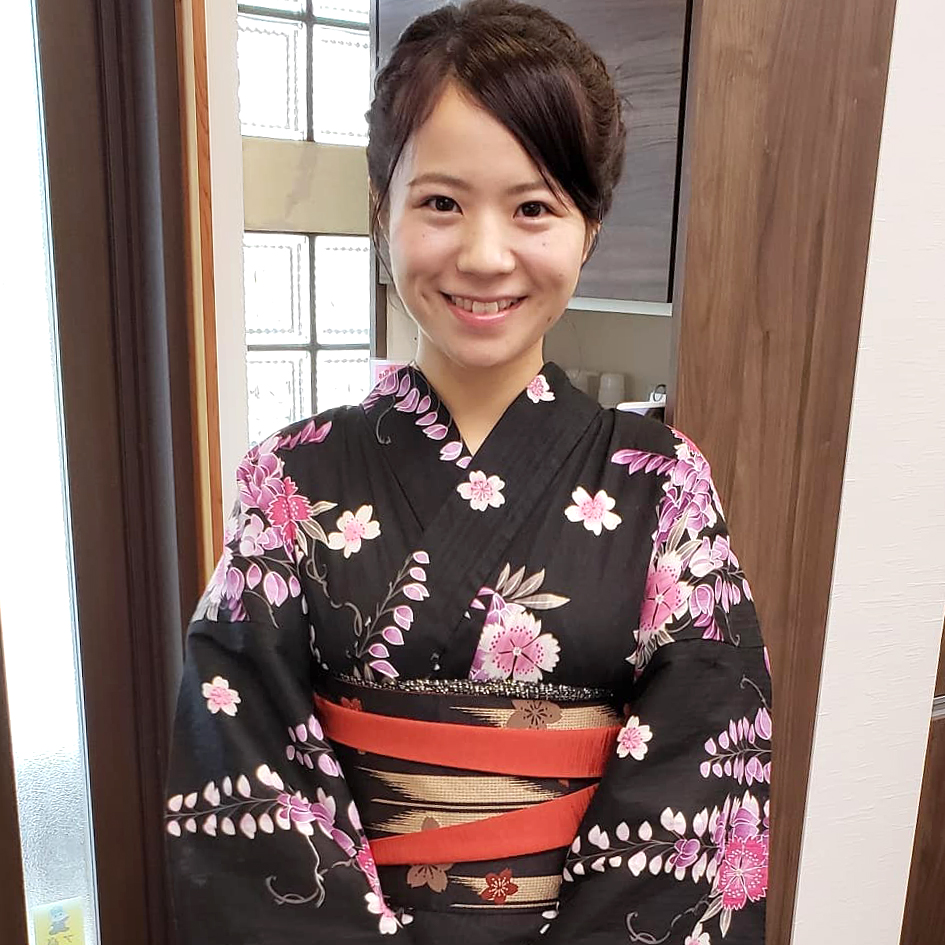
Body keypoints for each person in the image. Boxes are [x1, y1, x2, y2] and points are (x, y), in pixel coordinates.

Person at [165, 2, 771, 942]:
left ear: (589, 227)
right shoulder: (287, 478)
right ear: (382, 210)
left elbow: (704, 765)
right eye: (440, 203)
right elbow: (241, 768)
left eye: (534, 208)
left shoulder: (664, 484)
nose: (485, 256)